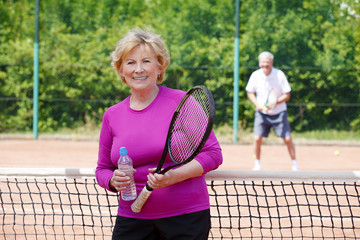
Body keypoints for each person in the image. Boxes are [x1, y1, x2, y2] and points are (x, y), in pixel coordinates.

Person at [95, 28, 223, 240]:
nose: (138, 69)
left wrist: (173, 177)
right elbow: (102, 169)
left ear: (159, 67)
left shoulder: (182, 102)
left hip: (186, 218)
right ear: (120, 70)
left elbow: (213, 154)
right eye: (130, 62)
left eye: (146, 61)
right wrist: (112, 180)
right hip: (131, 217)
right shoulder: (112, 115)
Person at [245, 51, 299, 171]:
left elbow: (287, 95)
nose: (265, 64)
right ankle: (257, 164)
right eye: (263, 62)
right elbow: (250, 92)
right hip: (261, 113)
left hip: (279, 112)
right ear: (259, 63)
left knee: (288, 139)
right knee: (257, 139)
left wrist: (276, 102)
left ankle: (295, 165)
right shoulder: (255, 75)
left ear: (272, 63)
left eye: (267, 62)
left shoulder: (279, 75)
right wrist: (257, 104)